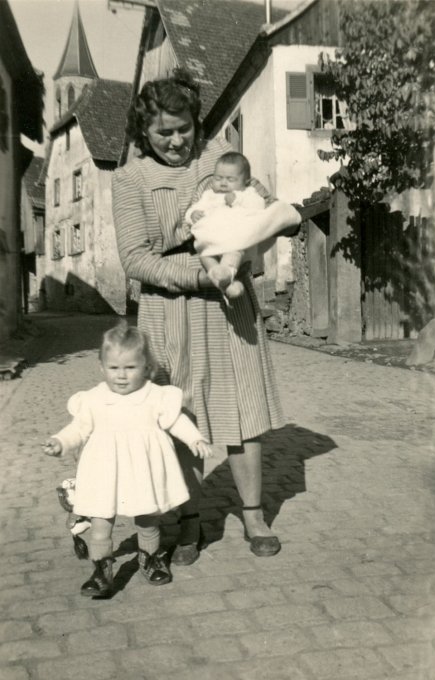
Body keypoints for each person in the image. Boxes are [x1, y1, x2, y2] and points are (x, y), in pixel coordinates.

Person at [111, 67, 301, 565]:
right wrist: (201, 273)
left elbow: (260, 205)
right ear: (142, 132)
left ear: (197, 122)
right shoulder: (129, 178)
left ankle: (254, 515)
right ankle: (189, 521)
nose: (176, 142)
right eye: (163, 133)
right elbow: (135, 259)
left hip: (228, 304)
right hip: (168, 307)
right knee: (178, 414)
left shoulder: (218, 157)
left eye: (184, 129)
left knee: (244, 408)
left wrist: (245, 243)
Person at [43, 321, 212, 598]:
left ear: (146, 368)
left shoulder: (155, 396)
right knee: (100, 523)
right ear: (101, 368)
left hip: (143, 469)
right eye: (114, 368)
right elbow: (78, 428)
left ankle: (150, 557)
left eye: (130, 368)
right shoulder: (94, 399)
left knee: (147, 518)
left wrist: (194, 438)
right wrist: (60, 441)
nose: (121, 376)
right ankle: (101, 569)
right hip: (103, 471)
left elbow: (176, 420)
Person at [185, 151, 266, 299]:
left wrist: (237, 200)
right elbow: (194, 208)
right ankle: (218, 277)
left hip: (232, 241)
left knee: (234, 253)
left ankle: (227, 274)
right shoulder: (208, 195)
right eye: (218, 178)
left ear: (246, 182)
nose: (223, 183)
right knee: (204, 255)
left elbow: (259, 206)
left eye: (230, 179)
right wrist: (192, 215)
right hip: (209, 242)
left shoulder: (248, 193)